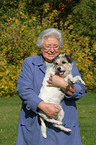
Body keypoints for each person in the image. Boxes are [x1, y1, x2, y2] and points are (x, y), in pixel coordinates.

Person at [16, 28, 85, 145]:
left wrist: (64, 85)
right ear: (40, 46)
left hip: (63, 125)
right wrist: (42, 105)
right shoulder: (30, 63)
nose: (52, 50)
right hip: (35, 126)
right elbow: (24, 89)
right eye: (48, 46)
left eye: (56, 46)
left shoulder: (68, 63)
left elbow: (80, 90)